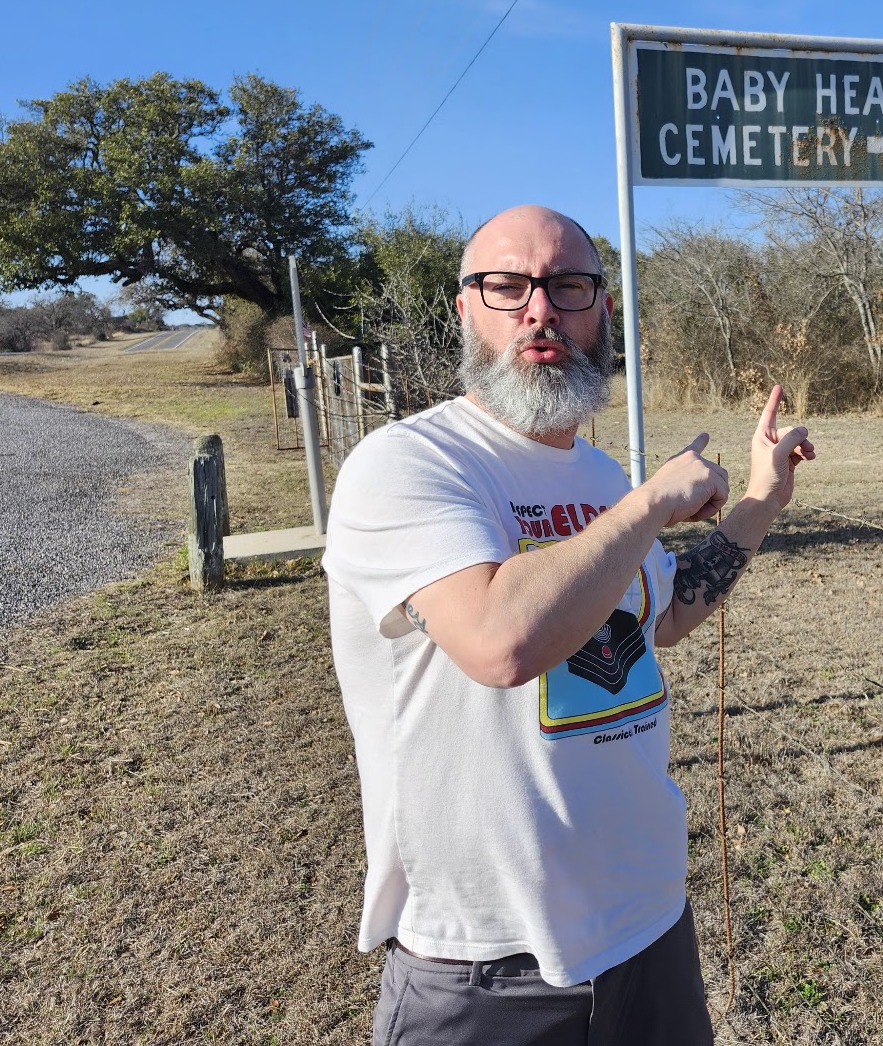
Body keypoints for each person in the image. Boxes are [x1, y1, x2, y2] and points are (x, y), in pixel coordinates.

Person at [322, 204, 815, 1046]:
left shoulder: (599, 473)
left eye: (568, 285)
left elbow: (662, 615)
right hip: (485, 963)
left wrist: (762, 500)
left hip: (648, 925)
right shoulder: (409, 464)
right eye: (507, 285)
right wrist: (655, 500)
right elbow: (498, 641)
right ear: (465, 309)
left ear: (602, 311)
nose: (539, 309)